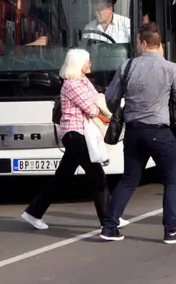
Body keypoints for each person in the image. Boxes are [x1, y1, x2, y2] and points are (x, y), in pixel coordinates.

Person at [100, 24, 176, 243]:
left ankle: (109, 226)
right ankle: (172, 230)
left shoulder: (127, 66)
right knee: (172, 180)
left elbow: (110, 97)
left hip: (133, 132)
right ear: (158, 44)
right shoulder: (171, 68)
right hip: (160, 132)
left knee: (129, 179)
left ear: (143, 43)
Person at [22, 48, 118, 231]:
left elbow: (97, 98)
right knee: (96, 175)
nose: (90, 64)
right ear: (78, 64)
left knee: (61, 178)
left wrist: (98, 104)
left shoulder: (83, 81)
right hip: (75, 134)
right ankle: (109, 220)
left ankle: (34, 212)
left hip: (81, 133)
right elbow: (91, 108)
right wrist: (99, 107)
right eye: (87, 61)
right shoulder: (72, 84)